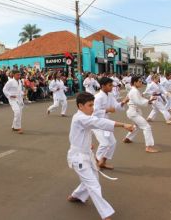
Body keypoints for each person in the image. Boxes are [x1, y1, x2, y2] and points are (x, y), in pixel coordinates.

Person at [67, 92, 134, 220]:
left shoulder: (83, 117)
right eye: (90, 105)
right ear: (80, 106)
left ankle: (77, 195)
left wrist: (87, 144)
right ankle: (106, 214)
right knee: (93, 185)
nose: (92, 108)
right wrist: (123, 125)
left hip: (86, 154)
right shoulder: (80, 118)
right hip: (79, 158)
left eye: (93, 105)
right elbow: (99, 122)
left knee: (93, 180)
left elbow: (79, 134)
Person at [93, 77, 129, 170]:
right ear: (103, 86)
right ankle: (95, 161)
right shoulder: (97, 97)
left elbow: (116, 106)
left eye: (112, 85)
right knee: (104, 143)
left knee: (112, 143)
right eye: (110, 85)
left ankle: (102, 162)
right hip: (97, 123)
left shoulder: (110, 95)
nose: (112, 87)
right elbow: (94, 112)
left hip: (106, 121)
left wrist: (124, 102)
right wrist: (107, 110)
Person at [122, 76, 159, 153]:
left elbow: (137, 100)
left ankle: (127, 138)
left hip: (133, 111)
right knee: (147, 127)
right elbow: (139, 102)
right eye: (139, 81)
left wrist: (149, 100)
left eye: (141, 81)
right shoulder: (134, 91)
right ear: (135, 82)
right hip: (133, 112)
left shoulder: (134, 90)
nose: (141, 83)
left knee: (138, 126)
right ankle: (148, 147)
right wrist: (149, 101)